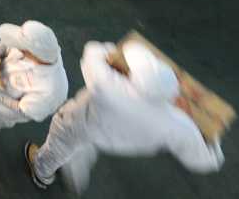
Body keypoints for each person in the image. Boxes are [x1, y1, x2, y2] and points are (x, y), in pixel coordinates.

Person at [25, 39, 224, 192]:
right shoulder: (179, 122)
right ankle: (74, 173)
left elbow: (93, 51)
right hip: (112, 141)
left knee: (61, 142)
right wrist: (207, 135)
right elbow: (207, 159)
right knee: (84, 147)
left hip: (79, 122)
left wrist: (113, 53)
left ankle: (42, 170)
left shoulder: (110, 86)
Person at [0, 20, 67, 156]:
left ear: (31, 54)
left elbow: (18, 109)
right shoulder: (43, 48)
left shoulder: (51, 91)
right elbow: (7, 43)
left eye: (21, 48)